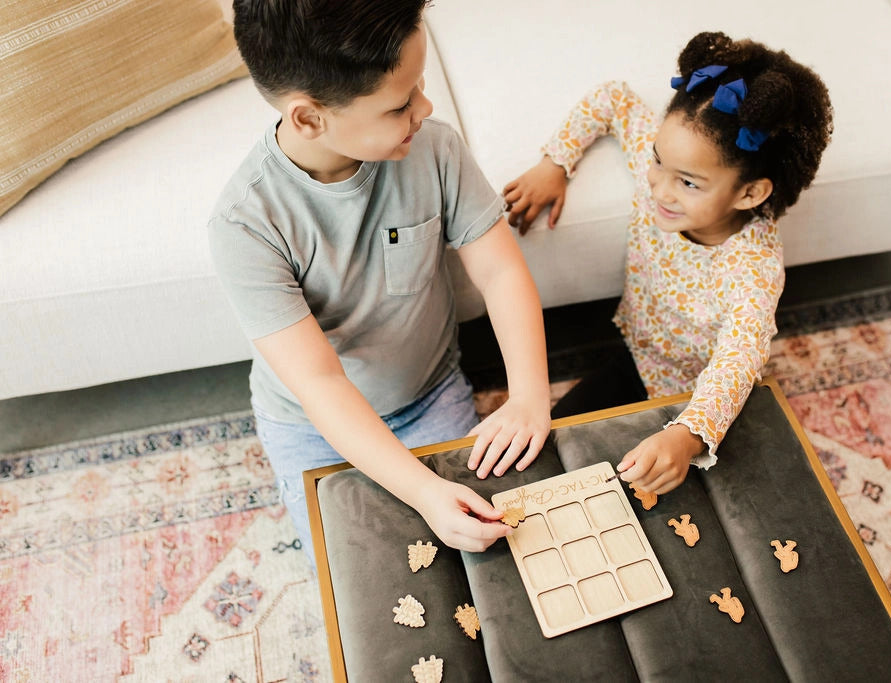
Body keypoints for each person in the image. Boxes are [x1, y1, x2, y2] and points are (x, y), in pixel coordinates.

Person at [209, 0, 551, 563]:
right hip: (310, 426)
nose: (426, 108)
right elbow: (320, 382)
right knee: (361, 571)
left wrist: (530, 396)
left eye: (420, 86)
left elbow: (500, 271)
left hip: (429, 394)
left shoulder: (435, 148)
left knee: (482, 548)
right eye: (400, 104)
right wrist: (423, 492)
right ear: (309, 119)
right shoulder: (244, 226)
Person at [504, 31, 832, 496]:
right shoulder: (663, 168)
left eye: (689, 183)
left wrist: (687, 435)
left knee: (667, 504)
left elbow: (740, 359)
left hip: (695, 402)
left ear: (750, 193)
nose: (659, 189)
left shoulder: (752, 267)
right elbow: (613, 97)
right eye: (658, 162)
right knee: (547, 453)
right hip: (635, 360)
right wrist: (554, 164)